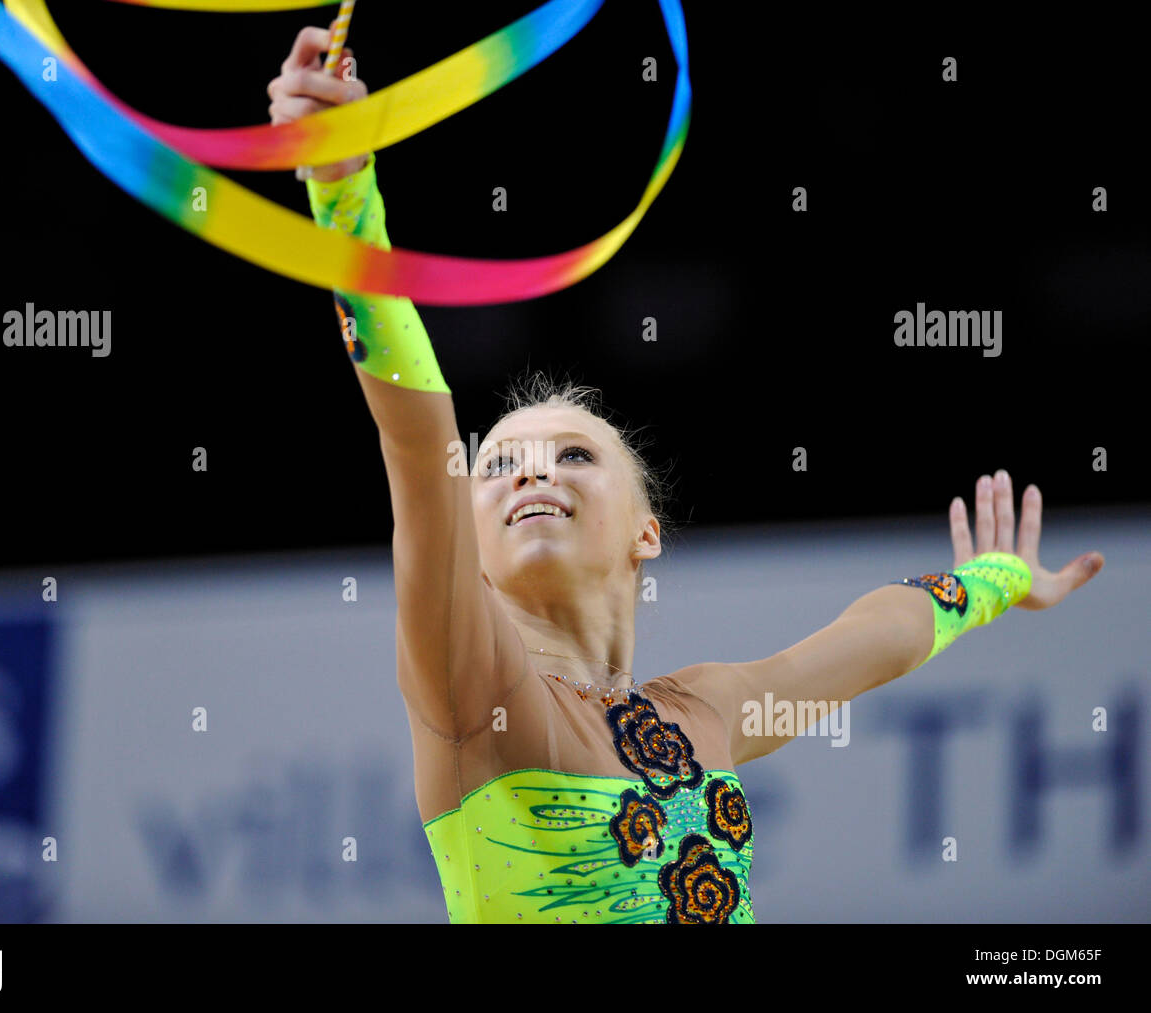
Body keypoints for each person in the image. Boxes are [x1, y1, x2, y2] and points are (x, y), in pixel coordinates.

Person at [268, 22, 1106, 924]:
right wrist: (347, 199)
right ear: (466, 544)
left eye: (575, 455)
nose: (529, 473)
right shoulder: (477, 692)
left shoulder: (706, 711)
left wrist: (998, 577)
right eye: (499, 464)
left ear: (645, 530)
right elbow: (416, 438)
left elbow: (875, 636)